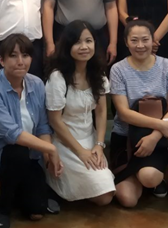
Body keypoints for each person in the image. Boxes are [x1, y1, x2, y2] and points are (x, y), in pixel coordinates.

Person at [0, 34, 63, 228]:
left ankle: (21, 192)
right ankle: (2, 208)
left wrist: (47, 156)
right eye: (13, 56)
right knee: (17, 152)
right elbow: (11, 134)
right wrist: (51, 149)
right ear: (1, 60)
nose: (20, 61)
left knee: (36, 211)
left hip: (30, 154)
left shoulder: (36, 84)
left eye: (25, 55)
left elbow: (42, 126)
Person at [109, 20, 168, 207]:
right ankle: (138, 175)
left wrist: (155, 136)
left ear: (153, 41)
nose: (140, 45)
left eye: (145, 39)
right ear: (126, 42)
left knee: (149, 177)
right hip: (126, 137)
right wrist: (161, 125)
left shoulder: (167, 66)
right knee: (127, 200)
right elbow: (123, 113)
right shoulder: (118, 69)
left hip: (158, 138)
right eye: (134, 40)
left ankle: (151, 177)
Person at [44, 20, 115, 205]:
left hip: (90, 139)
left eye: (88, 41)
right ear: (67, 46)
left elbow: (101, 112)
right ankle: (55, 184)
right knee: (103, 196)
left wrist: (99, 144)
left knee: (106, 194)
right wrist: (80, 152)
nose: (84, 47)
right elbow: (55, 121)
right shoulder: (57, 77)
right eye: (77, 42)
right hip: (65, 142)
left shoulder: (98, 74)